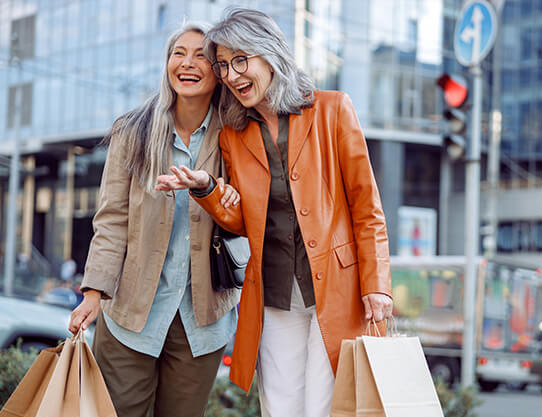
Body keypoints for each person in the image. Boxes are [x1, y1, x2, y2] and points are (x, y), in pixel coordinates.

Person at [156, 8, 393, 417]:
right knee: (280, 408)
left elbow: (366, 207)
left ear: (270, 55)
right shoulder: (233, 131)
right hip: (273, 292)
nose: (230, 75)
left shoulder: (332, 110)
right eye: (224, 65)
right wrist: (208, 190)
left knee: (324, 405)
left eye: (240, 61)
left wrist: (378, 284)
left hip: (337, 289)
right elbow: (240, 221)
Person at [68, 22, 241, 417]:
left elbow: (245, 216)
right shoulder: (133, 131)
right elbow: (112, 220)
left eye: (201, 55)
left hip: (203, 318)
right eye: (178, 53)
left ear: (218, 70)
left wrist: (218, 191)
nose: (188, 62)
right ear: (167, 64)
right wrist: (94, 292)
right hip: (130, 311)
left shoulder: (236, 135)